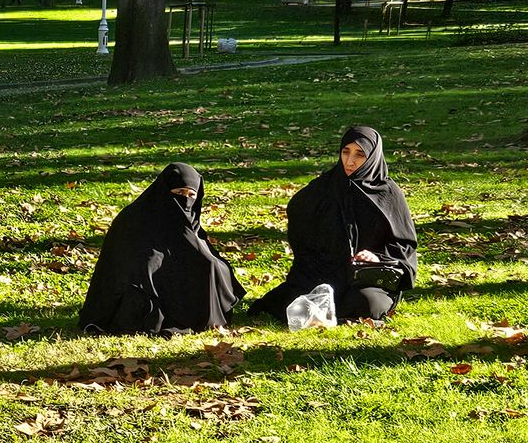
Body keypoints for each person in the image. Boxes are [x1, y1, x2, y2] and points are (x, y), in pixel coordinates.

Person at [249, 126, 417, 323]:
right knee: (294, 299)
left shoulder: (388, 194)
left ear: (372, 157)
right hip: (324, 272)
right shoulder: (324, 187)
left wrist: (376, 257)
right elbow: (298, 215)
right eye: (345, 152)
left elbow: (404, 245)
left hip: (366, 277)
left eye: (360, 154)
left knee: (366, 302)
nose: (350, 161)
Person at [79, 162, 245, 336]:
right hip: (140, 288)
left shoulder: (189, 219)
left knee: (211, 264)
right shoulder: (133, 218)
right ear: (165, 190)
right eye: (179, 192)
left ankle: (199, 317)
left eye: (191, 195)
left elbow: (199, 252)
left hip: (173, 279)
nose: (185, 199)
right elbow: (129, 263)